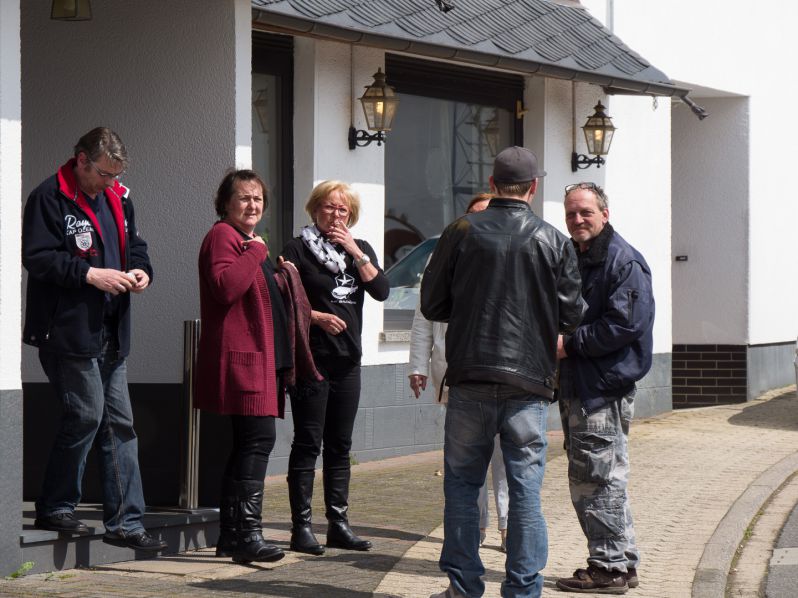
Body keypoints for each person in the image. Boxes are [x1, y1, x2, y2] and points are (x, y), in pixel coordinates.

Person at [421, 146, 586, 598]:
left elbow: (432, 304)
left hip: (471, 377)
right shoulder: (554, 240)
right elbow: (572, 315)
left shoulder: (459, 231)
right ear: (533, 188)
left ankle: (463, 588)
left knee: (460, 485)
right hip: (528, 384)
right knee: (526, 492)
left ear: (492, 185)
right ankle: (522, 590)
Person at [22, 127, 165, 552]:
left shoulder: (119, 197)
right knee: (86, 415)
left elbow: (135, 247)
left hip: (111, 328)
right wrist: (88, 274)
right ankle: (56, 504)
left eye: (114, 175)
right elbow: (37, 256)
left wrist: (142, 271)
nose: (108, 183)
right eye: (103, 174)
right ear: (81, 160)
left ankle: (125, 522)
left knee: (120, 424)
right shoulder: (49, 197)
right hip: (67, 330)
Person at [195, 169, 304, 564]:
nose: (252, 205)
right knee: (257, 443)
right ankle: (248, 535)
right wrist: (257, 253)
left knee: (248, 445)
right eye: (243, 198)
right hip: (244, 363)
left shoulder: (243, 240)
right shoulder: (225, 236)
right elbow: (225, 286)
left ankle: (230, 535)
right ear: (225, 203)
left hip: (260, 362)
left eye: (257, 198)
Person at [555, 182, 654, 595]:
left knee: (595, 480)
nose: (577, 220)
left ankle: (607, 570)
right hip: (584, 384)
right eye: (571, 214)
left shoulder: (621, 261)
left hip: (600, 388)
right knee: (606, 478)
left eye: (585, 213)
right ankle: (622, 563)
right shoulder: (581, 256)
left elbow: (624, 324)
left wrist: (569, 342)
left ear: (604, 214)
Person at [281, 180, 390, 555]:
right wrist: (315, 317)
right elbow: (282, 301)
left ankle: (339, 524)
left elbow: (382, 291)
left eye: (343, 210)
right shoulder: (296, 250)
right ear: (315, 209)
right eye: (329, 207)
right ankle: (301, 527)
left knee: (340, 446)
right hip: (312, 360)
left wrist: (355, 251)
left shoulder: (359, 251)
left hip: (348, 361)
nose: (336, 215)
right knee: (308, 442)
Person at [408, 193, 509, 552]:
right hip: (455, 374)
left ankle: (507, 526)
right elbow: (424, 315)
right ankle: (476, 526)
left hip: (500, 374)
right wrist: (418, 365)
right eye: (475, 215)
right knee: (467, 459)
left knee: (502, 456)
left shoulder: (507, 254)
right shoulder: (446, 255)